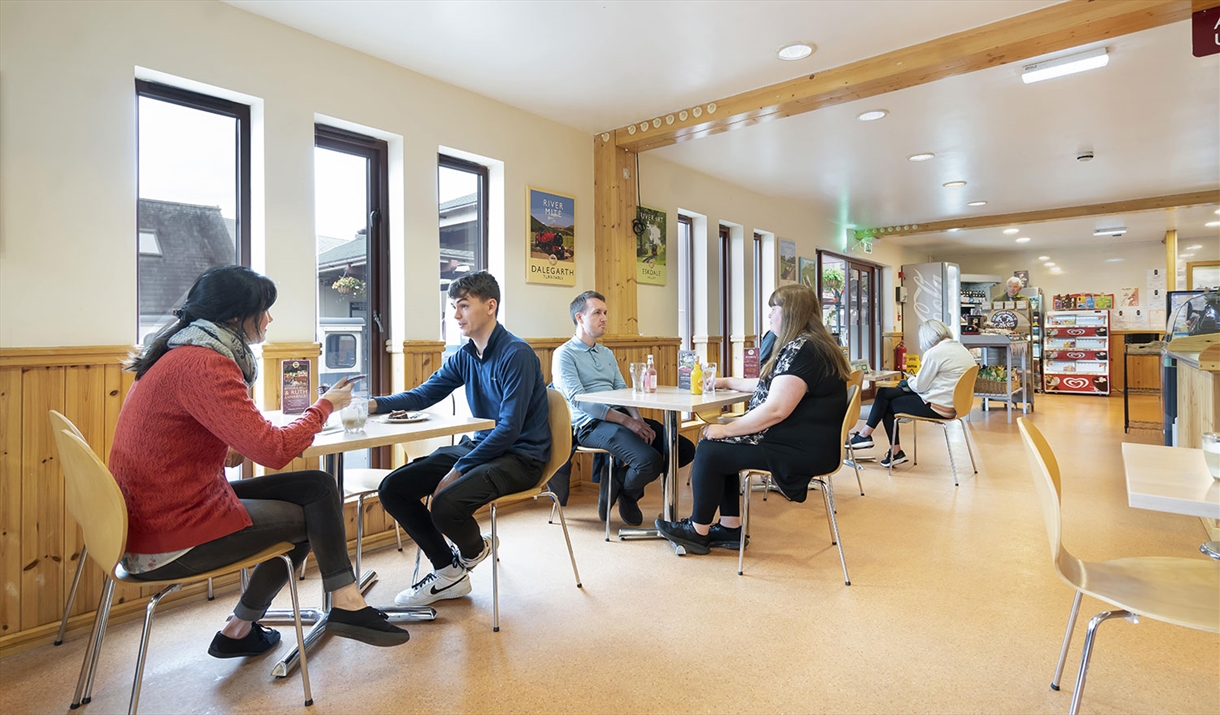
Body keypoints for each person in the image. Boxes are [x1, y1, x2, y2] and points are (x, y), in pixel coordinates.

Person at [109, 265, 410, 659]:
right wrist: (323, 408)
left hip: (156, 512)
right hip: (167, 535)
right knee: (311, 521)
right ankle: (335, 608)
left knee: (317, 487)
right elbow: (273, 451)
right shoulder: (206, 363)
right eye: (265, 309)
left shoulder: (181, 352)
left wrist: (230, 442)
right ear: (236, 316)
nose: (270, 318)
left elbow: (206, 440)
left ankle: (253, 625)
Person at [372, 271, 550, 607]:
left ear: (490, 306)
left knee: (446, 502)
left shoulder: (517, 354)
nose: (455, 315)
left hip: (522, 457)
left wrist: (458, 469)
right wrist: (373, 404)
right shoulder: (467, 355)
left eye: (463, 306)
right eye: (453, 307)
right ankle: (449, 570)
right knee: (393, 487)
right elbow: (425, 394)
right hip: (483, 448)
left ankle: (468, 555)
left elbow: (509, 429)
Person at [654, 284, 850, 555]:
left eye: (774, 309)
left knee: (712, 449)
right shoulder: (812, 346)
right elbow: (769, 385)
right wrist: (724, 382)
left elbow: (776, 410)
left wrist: (728, 430)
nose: (769, 316)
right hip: (808, 441)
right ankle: (730, 529)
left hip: (801, 450)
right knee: (725, 443)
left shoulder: (803, 350)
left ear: (791, 313)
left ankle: (697, 532)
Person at [549, 290, 694, 524]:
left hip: (621, 416)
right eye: (597, 313)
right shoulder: (564, 354)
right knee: (649, 461)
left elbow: (624, 390)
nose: (604, 318)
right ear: (579, 318)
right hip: (589, 424)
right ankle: (628, 492)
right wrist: (628, 422)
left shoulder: (606, 352)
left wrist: (638, 421)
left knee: (683, 449)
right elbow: (580, 400)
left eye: (605, 312)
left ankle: (622, 483)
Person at [846, 319, 976, 466]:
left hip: (938, 406)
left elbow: (920, 386)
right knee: (884, 393)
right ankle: (873, 439)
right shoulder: (961, 349)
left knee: (888, 403)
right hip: (954, 403)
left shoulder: (935, 353)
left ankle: (878, 442)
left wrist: (910, 381)